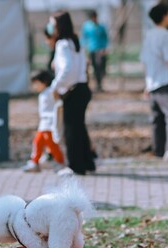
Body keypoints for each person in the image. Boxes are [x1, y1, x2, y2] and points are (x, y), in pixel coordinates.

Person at [46, 11, 95, 175]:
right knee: (79, 128)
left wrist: (55, 87)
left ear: (59, 26)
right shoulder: (75, 42)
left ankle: (75, 166)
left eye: (52, 24)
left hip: (72, 91)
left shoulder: (63, 45)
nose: (51, 27)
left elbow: (67, 69)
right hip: (83, 88)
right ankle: (87, 162)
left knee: (71, 130)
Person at [140, 3, 168, 161]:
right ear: (165, 16)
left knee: (156, 119)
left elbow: (144, 61)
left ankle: (158, 150)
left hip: (152, 83)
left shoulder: (148, 35)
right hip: (165, 82)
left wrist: (147, 83)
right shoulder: (167, 36)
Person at [22, 70, 65, 173]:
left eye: (36, 83)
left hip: (50, 123)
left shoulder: (51, 91)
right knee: (37, 142)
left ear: (44, 82)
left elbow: (58, 104)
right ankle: (34, 162)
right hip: (43, 124)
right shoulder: (43, 94)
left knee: (52, 144)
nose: (34, 86)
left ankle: (60, 162)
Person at [81, 10, 109, 92]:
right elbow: (84, 38)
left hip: (101, 50)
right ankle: (98, 84)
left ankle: (100, 82)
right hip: (92, 50)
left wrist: (104, 48)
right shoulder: (87, 27)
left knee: (102, 67)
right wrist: (84, 49)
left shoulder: (101, 27)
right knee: (95, 68)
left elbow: (105, 38)